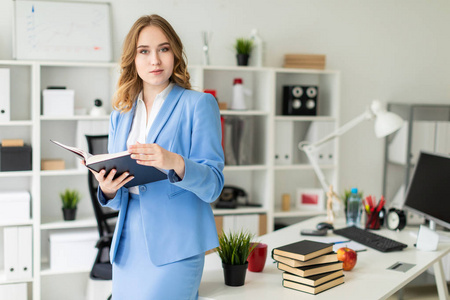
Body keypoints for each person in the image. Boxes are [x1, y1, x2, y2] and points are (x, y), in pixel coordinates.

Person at [90, 14, 224, 299]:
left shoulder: (198, 105)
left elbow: (214, 185)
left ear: (174, 53)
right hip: (128, 246)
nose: (155, 60)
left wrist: (175, 162)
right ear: (133, 59)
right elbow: (117, 200)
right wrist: (108, 189)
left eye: (163, 49)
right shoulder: (120, 115)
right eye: (144, 51)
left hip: (178, 243)